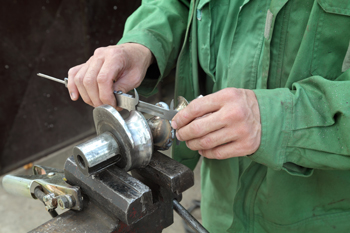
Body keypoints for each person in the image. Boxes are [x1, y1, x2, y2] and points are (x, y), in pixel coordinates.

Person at [67, 0, 350, 232]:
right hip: (222, 205)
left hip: (322, 214)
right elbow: (176, 4)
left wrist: (280, 120)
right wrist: (141, 45)